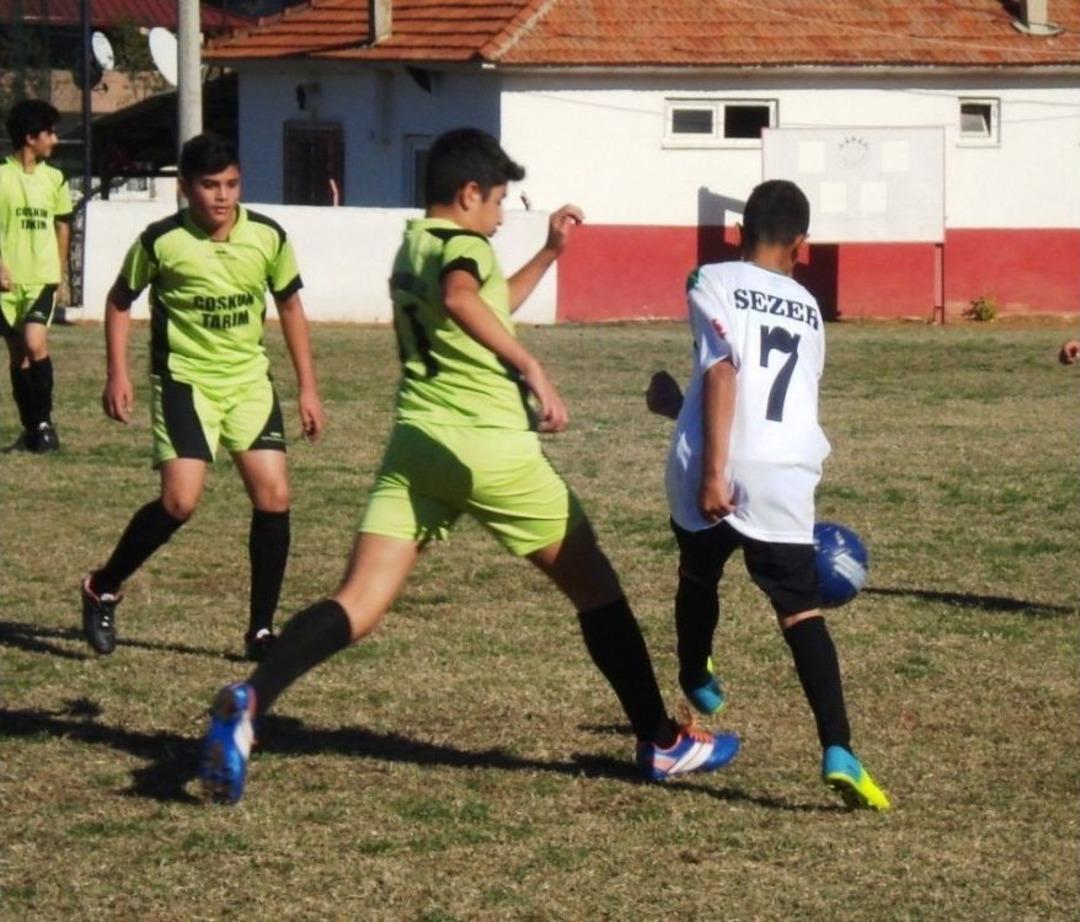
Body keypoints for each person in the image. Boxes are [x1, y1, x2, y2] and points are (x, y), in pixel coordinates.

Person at [199, 127, 739, 803]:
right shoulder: (462, 246)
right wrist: (533, 368)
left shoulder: (415, 243)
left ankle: (251, 702)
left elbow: (484, 302)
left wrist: (548, 253)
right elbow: (463, 297)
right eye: (499, 200)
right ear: (468, 193)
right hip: (488, 447)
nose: (502, 214)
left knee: (357, 603)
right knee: (595, 586)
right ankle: (663, 743)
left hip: (416, 446)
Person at [646, 179, 890, 810]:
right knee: (800, 614)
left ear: (738, 232)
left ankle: (696, 673)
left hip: (716, 462)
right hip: (785, 470)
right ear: (801, 245)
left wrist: (712, 470)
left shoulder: (711, 278)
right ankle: (840, 748)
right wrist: (682, 409)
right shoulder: (809, 309)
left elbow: (725, 367)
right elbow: (773, 398)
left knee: (698, 575)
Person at [80, 133, 325, 662]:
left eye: (231, 184)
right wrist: (116, 373)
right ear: (185, 188)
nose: (222, 196)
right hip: (186, 382)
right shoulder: (161, 241)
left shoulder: (268, 237)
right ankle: (102, 584)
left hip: (248, 382)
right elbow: (120, 301)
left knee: (274, 497)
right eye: (210, 185)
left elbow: (290, 308)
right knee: (180, 501)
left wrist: (307, 386)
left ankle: (260, 631)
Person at [0, 99, 72, 453]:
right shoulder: (1, 177)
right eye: (50, 133)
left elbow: (62, 225)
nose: (55, 140)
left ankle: (44, 422)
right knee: (18, 356)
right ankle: (31, 430)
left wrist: (58, 272)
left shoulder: (55, 179)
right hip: (7, 282)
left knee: (34, 343)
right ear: (31, 137)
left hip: (41, 278)